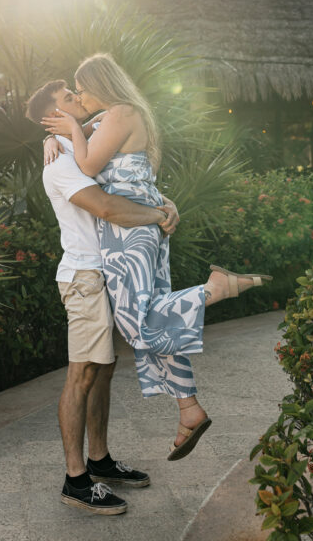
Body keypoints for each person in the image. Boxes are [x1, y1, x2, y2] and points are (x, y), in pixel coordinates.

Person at [40, 53, 272, 463]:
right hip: (138, 225)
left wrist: (71, 131)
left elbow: (89, 165)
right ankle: (189, 409)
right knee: (155, 315)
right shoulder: (108, 118)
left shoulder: (119, 113)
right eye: (72, 95)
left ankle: (212, 289)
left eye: (82, 89)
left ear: (100, 84)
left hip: (129, 229)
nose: (80, 97)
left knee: (139, 321)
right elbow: (87, 152)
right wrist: (51, 137)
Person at [25, 79, 181, 516]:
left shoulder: (83, 145)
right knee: (83, 374)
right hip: (85, 278)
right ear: (52, 117)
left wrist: (165, 203)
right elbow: (108, 207)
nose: (79, 99)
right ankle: (76, 480)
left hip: (106, 272)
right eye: (68, 99)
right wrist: (158, 217)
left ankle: (100, 460)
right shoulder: (61, 165)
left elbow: (128, 183)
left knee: (103, 370)